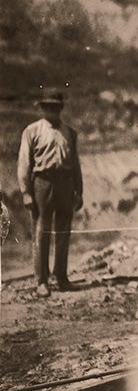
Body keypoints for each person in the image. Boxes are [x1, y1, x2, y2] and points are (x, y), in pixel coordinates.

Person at [17, 89, 83, 297]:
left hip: (65, 183)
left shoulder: (70, 133)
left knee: (63, 231)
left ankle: (61, 277)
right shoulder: (32, 131)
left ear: (60, 108)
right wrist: (26, 192)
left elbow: (75, 165)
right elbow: (24, 163)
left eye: (55, 106)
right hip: (42, 183)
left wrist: (78, 191)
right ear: (42, 108)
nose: (51, 110)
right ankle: (41, 280)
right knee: (41, 230)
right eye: (47, 106)